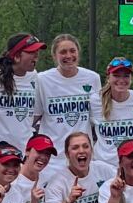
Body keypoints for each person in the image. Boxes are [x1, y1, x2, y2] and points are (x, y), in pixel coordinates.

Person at [0, 33, 45, 174]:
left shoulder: (34, 76)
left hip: (21, 159)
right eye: (31, 52)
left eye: (37, 52)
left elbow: (34, 114)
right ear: (16, 56)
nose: (36, 56)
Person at [35, 34, 102, 173]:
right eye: (63, 52)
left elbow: (99, 119)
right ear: (54, 55)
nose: (68, 56)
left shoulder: (92, 78)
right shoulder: (42, 80)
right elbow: (35, 117)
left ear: (78, 52)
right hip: (52, 159)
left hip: (82, 157)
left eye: (72, 51)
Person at [94, 57, 133, 167]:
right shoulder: (95, 101)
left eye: (126, 76)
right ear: (108, 77)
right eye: (116, 75)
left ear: (131, 78)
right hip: (103, 165)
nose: (121, 80)